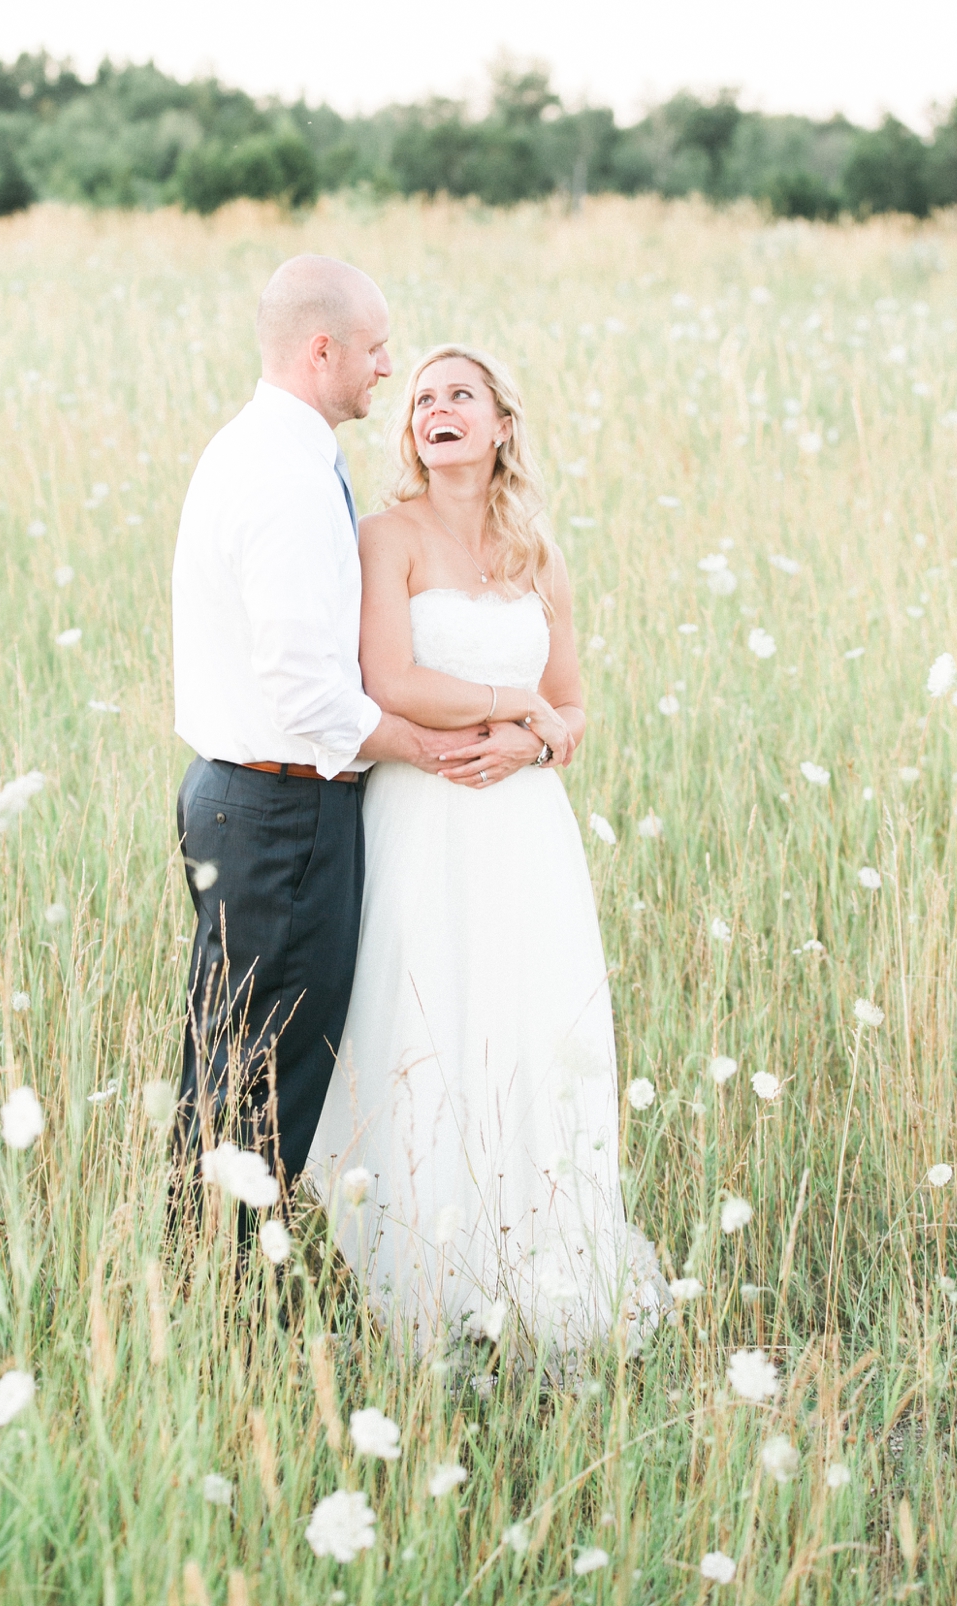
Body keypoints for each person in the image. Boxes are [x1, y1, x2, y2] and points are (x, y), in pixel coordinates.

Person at [309, 342, 667, 1357]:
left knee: (523, 1024)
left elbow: (574, 705)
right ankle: (422, 1278)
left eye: (458, 395)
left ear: (501, 423)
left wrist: (533, 735)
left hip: (522, 829)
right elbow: (389, 681)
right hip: (421, 818)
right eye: (420, 398)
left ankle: (536, 1258)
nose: (435, 409)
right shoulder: (388, 538)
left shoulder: (535, 553)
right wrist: (515, 708)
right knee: (425, 1021)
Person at [170, 261, 547, 1191]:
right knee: (266, 1065)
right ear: (322, 349)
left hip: (255, 799)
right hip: (280, 806)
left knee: (238, 1053)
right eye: (377, 349)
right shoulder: (287, 478)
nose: (388, 366)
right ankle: (226, 1287)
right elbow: (309, 693)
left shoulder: (271, 450)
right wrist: (429, 749)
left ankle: (210, 1270)